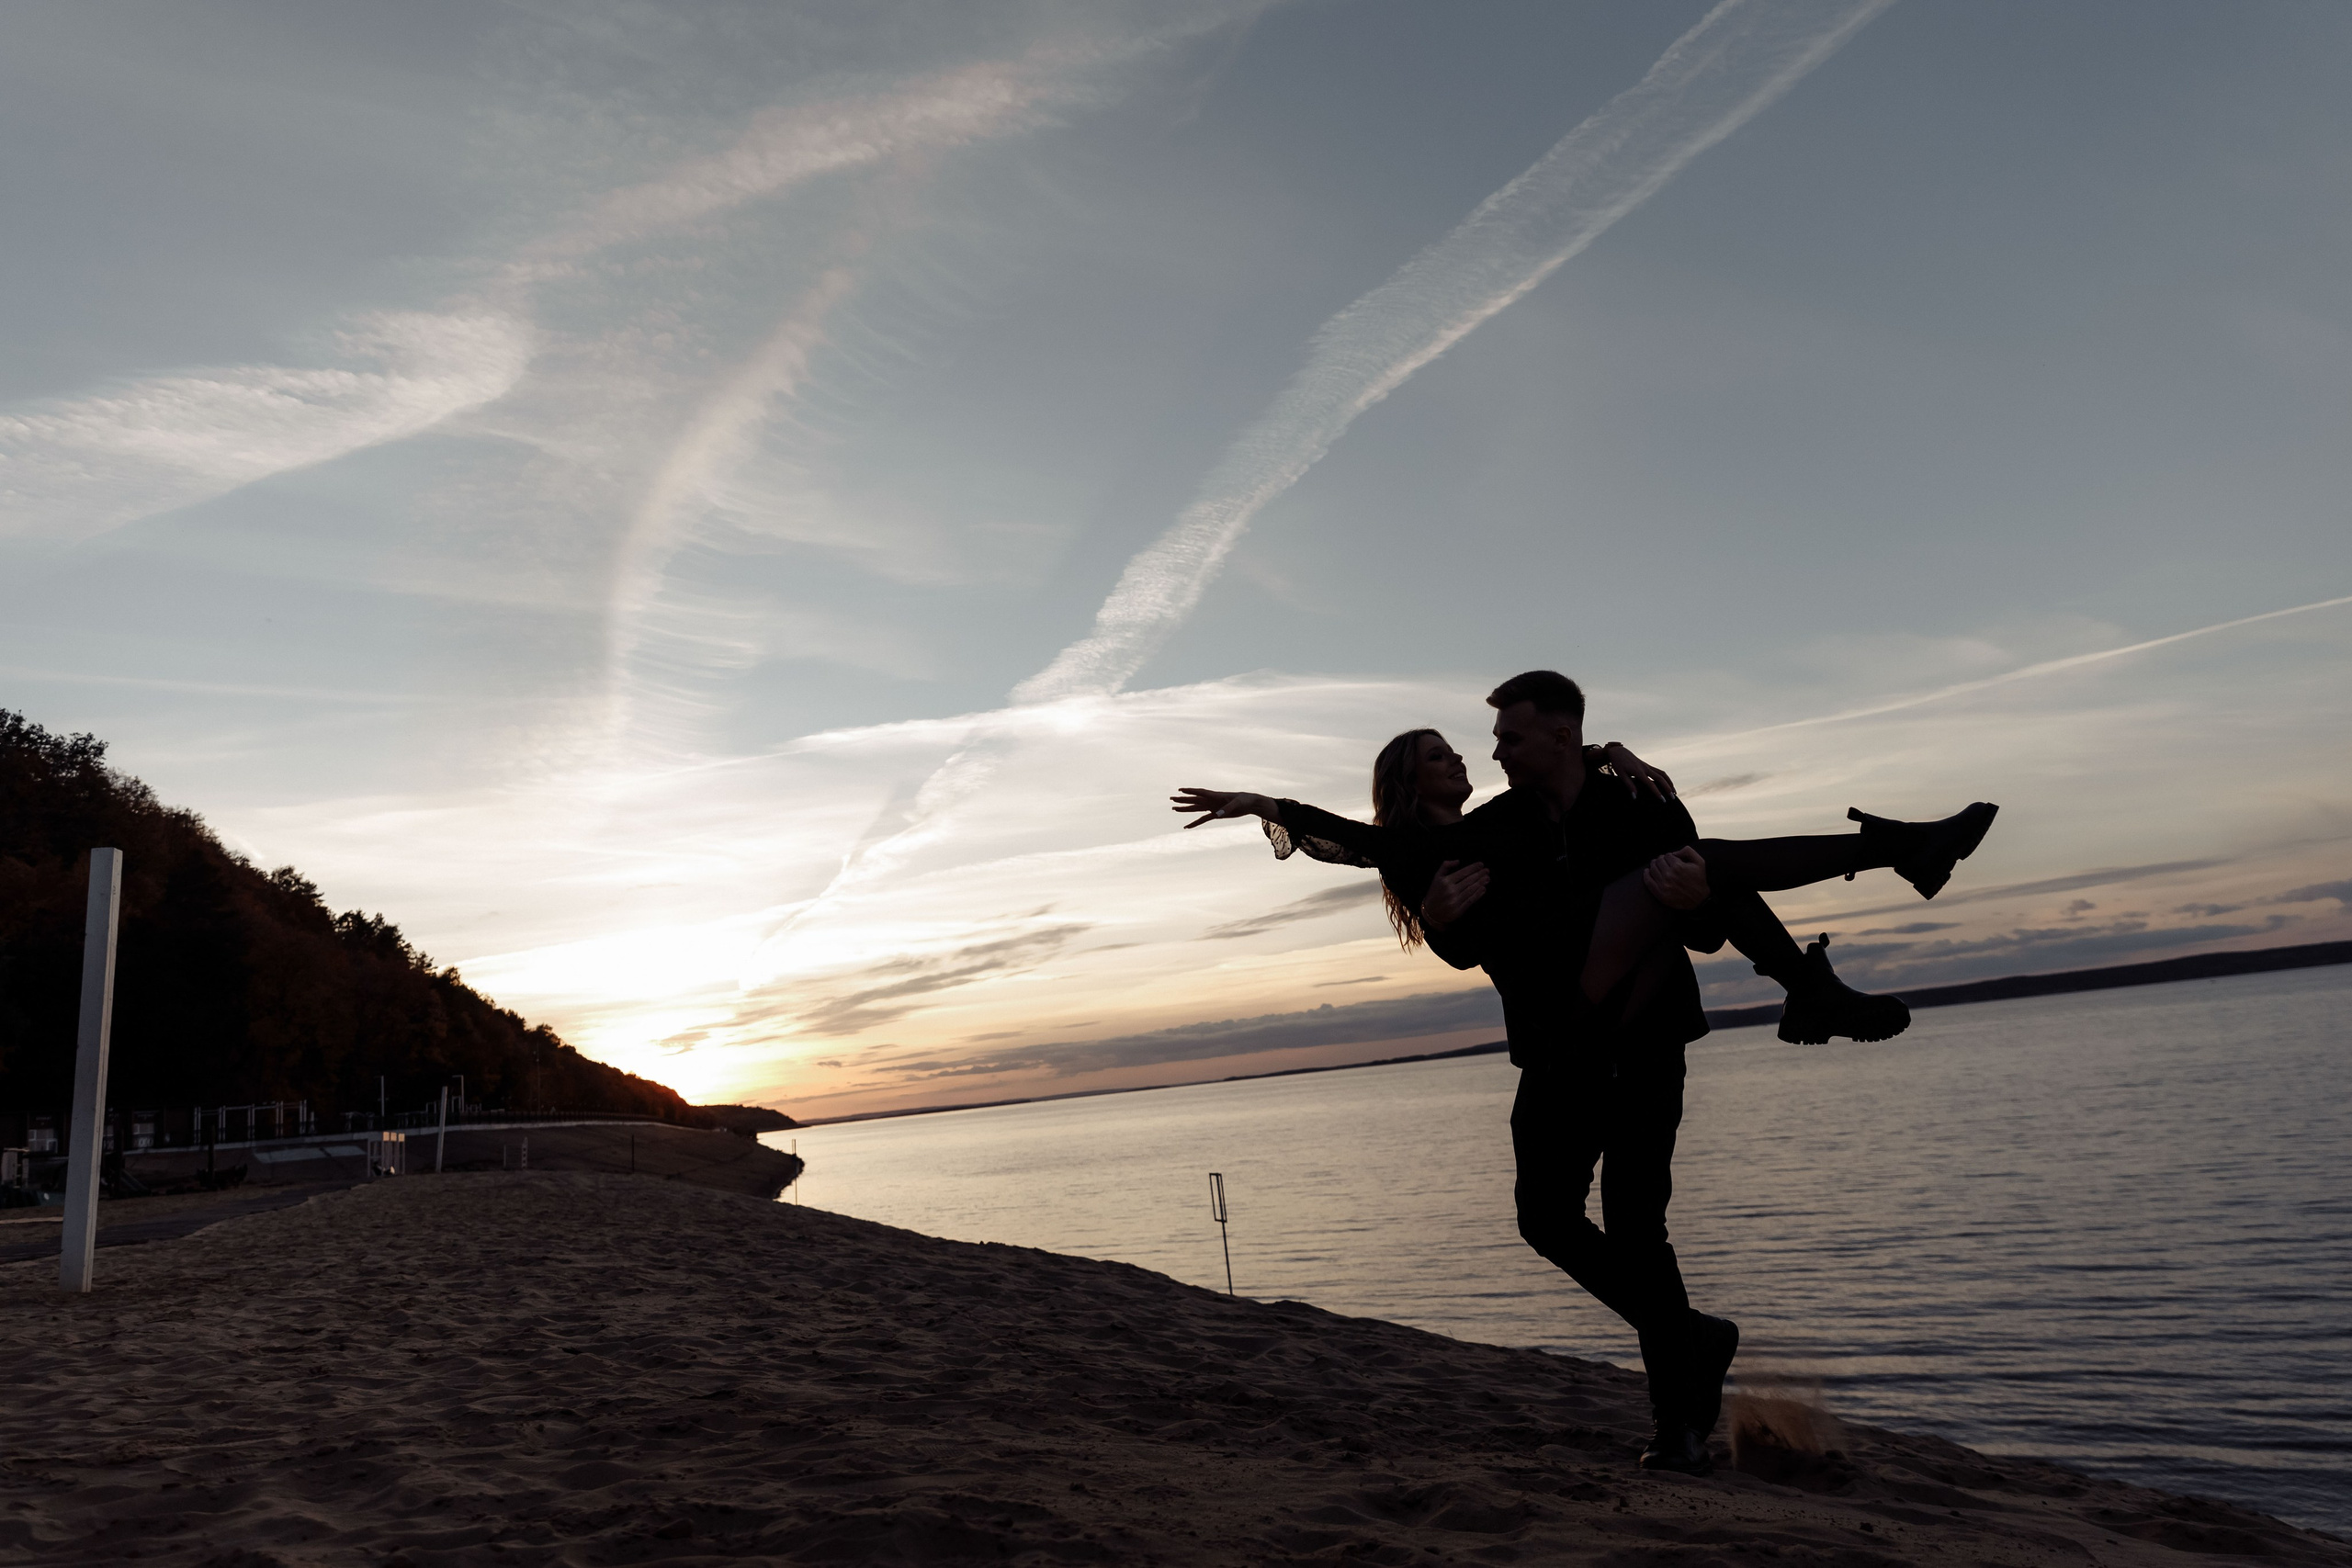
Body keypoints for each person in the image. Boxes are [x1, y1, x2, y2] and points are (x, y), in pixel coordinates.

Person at [1172, 672, 1996, 1473]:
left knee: (1640, 1223)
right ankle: (1696, 1331)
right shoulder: (1490, 828)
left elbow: (1710, 923)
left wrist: (1657, 832)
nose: (1486, 752)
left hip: (1642, 1041)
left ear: (1557, 734)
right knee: (1545, 1218)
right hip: (1559, 1042)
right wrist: (1277, 812)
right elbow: (1395, 863)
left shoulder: (1635, 800)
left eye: (1503, 737)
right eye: (1462, 747)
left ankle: (1679, 1427)